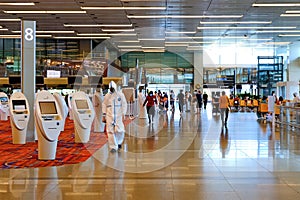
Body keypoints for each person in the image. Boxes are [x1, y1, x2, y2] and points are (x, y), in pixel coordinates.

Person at [102, 81, 127, 153]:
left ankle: (119, 142)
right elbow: (104, 105)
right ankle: (113, 146)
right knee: (110, 131)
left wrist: (123, 113)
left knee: (120, 130)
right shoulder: (107, 96)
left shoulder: (120, 95)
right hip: (109, 115)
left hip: (118, 115)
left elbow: (124, 104)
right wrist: (104, 115)